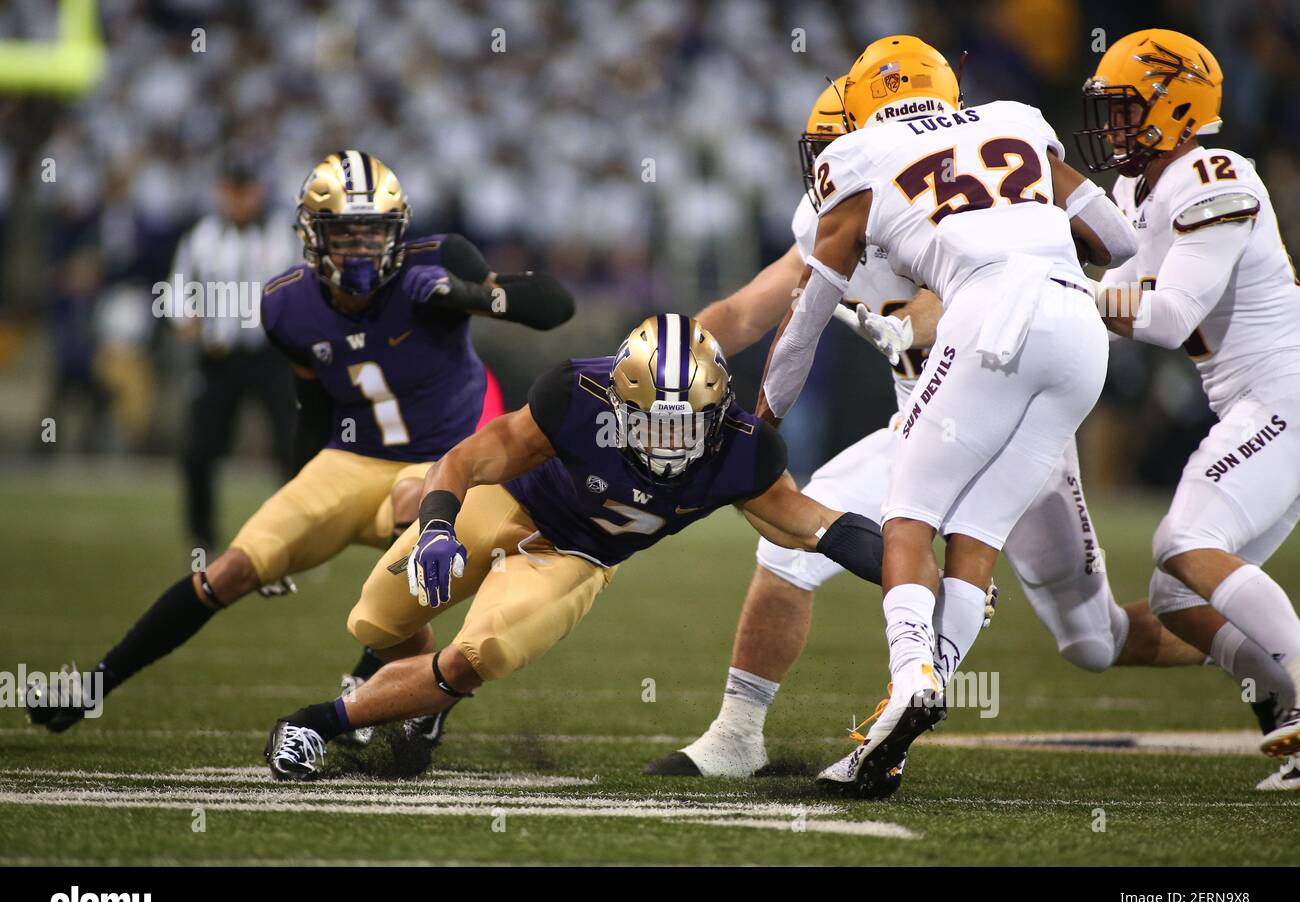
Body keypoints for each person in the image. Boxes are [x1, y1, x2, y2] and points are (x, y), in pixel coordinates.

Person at [648, 69, 1271, 789]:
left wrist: (930, 313)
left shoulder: (909, 179)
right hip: (942, 410)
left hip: (995, 388)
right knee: (793, 545)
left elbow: (995, 279)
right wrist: (662, 356)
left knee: (1095, 640)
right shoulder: (876, 199)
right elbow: (750, 310)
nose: (824, 160)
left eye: (834, 140)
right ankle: (743, 734)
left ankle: (1266, 662)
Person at [26, 150, 574, 733]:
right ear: (314, 236)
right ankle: (94, 685)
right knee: (232, 569)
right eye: (344, 233)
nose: (360, 248)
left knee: (411, 508)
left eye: (373, 233)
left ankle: (400, 691)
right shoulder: (286, 305)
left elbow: (554, 307)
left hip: (437, 460)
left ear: (397, 233)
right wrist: (290, 502)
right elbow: (312, 412)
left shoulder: (438, 260)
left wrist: (466, 293)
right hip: (351, 458)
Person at [755, 36, 1138, 798]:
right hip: (1078, 329)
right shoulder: (1014, 119)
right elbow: (1117, 239)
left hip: (990, 315)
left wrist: (763, 414)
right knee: (980, 532)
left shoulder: (860, 155)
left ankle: (911, 684)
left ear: (864, 101)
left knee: (907, 515)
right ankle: (895, 736)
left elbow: (805, 319)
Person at [263, 314, 889, 781]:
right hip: (511, 503)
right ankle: (419, 707)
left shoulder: (744, 452)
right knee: (376, 616)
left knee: (472, 656)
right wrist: (435, 526)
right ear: (617, 404)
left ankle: (314, 724)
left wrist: (907, 571)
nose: (670, 443)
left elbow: (816, 526)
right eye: (654, 422)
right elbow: (465, 460)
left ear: (718, 413)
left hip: (575, 557)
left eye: (686, 425)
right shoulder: (573, 395)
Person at [1080, 29, 1300, 789]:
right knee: (1178, 599)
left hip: (1285, 390)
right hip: (1259, 399)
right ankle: (1284, 705)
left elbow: (1165, 316)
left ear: (1176, 107)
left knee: (1185, 538)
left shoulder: (1213, 173)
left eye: (1126, 110)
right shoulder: (1141, 191)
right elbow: (1124, 290)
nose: (1112, 128)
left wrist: (1072, 294)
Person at [168, 158, 298, 554]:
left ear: (258, 192)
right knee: (198, 448)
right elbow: (177, 287)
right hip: (219, 355)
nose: (239, 200)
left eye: (245, 191)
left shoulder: (283, 236)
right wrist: (184, 318)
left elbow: (305, 285)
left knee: (291, 446)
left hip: (271, 355)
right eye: (231, 191)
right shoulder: (201, 237)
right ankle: (202, 536)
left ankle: (294, 535)